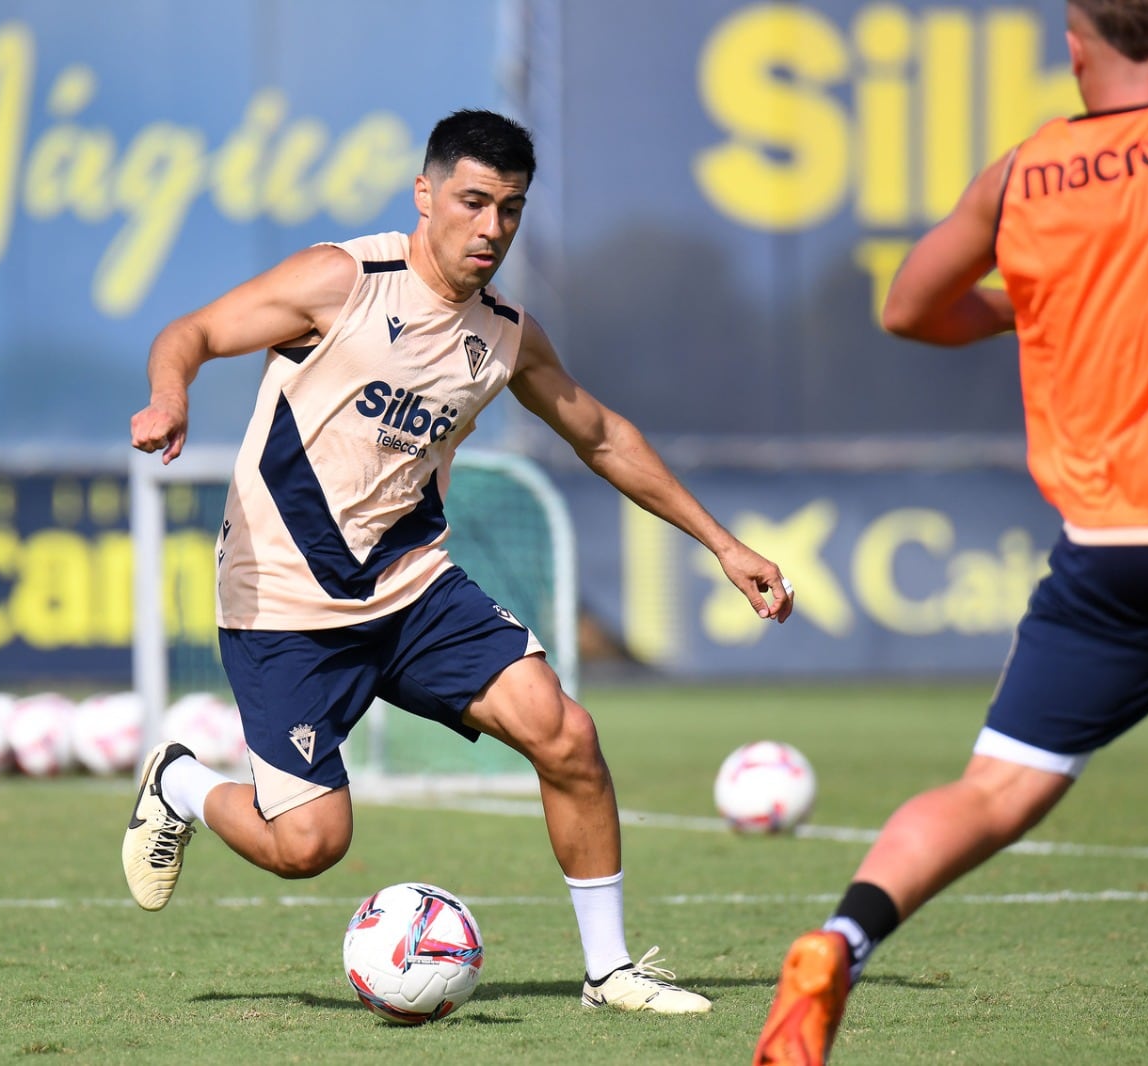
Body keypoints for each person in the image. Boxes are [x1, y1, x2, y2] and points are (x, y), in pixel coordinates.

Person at [754, 0, 1148, 1060]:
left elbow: (908, 306)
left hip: (1113, 559)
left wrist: (1016, 304)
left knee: (992, 787)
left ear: (1073, 54)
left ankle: (840, 939)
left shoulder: (1021, 173)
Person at [126, 108, 794, 1014]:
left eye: (510, 209)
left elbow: (600, 435)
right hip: (283, 602)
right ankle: (180, 782)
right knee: (309, 846)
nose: (491, 229)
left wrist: (724, 544)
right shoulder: (343, 281)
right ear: (425, 194)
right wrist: (171, 399)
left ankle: (609, 972)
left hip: (411, 592)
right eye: (473, 201)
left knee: (568, 735)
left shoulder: (507, 333)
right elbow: (192, 332)